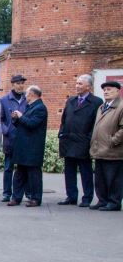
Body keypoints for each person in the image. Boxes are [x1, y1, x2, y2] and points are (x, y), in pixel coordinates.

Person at [57, 74, 103, 206]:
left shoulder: (96, 102)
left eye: (80, 84)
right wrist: (62, 133)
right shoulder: (71, 100)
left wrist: (89, 138)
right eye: (76, 83)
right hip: (68, 140)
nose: (77, 86)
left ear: (88, 86)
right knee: (69, 171)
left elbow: (96, 123)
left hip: (83, 141)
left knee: (85, 171)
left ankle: (87, 198)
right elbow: (64, 119)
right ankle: (71, 196)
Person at [8, 85, 48, 207]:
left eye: (27, 94)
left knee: (34, 174)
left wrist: (20, 116)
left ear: (32, 95)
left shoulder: (40, 108)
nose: (25, 96)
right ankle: (16, 197)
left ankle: (35, 198)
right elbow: (23, 124)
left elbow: (32, 124)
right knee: (19, 173)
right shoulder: (30, 107)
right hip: (23, 146)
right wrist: (16, 118)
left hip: (33, 147)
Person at [89, 81, 123, 211]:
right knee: (100, 178)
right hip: (100, 149)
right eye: (104, 90)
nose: (106, 91)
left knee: (114, 178)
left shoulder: (120, 106)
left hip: (113, 151)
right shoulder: (102, 107)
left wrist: (112, 141)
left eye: (109, 89)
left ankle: (114, 202)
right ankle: (102, 200)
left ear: (118, 91)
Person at [0, 74, 28, 202]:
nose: (21, 86)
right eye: (18, 83)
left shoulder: (27, 99)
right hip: (10, 139)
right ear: (13, 84)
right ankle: (6, 193)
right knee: (8, 167)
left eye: (22, 83)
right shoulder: (4, 100)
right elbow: (0, 119)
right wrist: (6, 130)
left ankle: (24, 192)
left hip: (24, 138)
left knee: (24, 167)